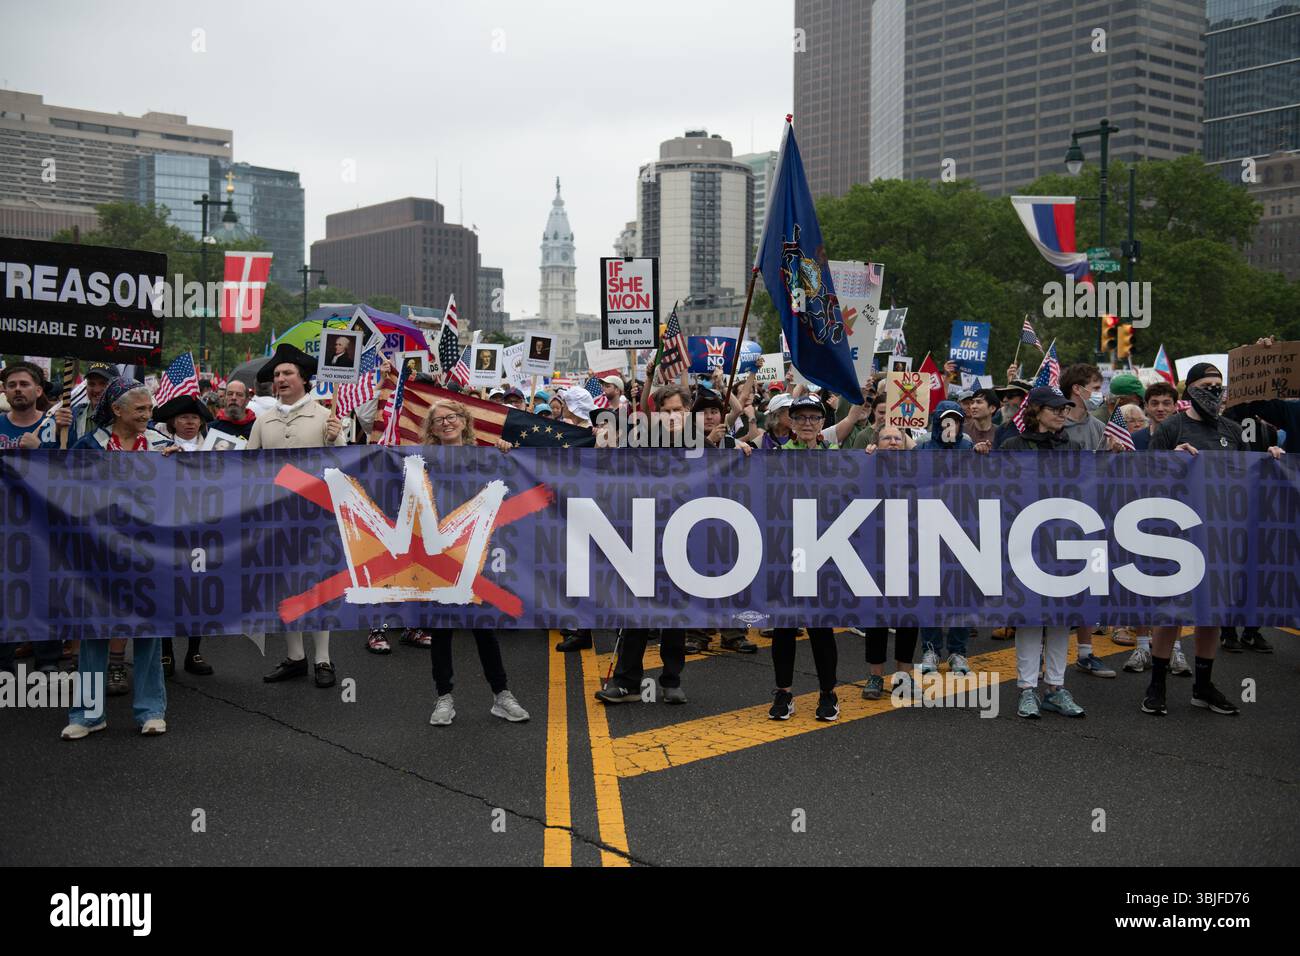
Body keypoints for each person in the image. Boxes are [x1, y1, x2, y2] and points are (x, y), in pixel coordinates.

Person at [1142, 361, 1285, 716]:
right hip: (1177, 534)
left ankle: (1203, 687)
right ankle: (1156, 684)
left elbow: (1245, 478)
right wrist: (1169, 461)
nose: (1214, 392)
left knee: (1212, 613)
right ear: (1190, 389)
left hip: (1220, 533)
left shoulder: (1231, 430)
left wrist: (1271, 460)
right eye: (1207, 385)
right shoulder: (1171, 428)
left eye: (1219, 386)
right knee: (1171, 612)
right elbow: (1144, 479)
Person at [63, 377, 179, 740]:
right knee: (94, 628)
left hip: (149, 552)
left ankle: (151, 710)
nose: (148, 414)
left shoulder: (162, 446)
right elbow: (67, 490)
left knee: (148, 630)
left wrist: (181, 466)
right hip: (100, 551)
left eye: (149, 408)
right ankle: (88, 713)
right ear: (116, 410)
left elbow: (184, 495)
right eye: (140, 409)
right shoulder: (88, 446)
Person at [417, 398, 530, 726]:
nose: (446, 423)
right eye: (438, 421)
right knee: (442, 628)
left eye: (451, 417)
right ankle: (444, 698)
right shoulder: (422, 460)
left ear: (464, 421)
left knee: (483, 627)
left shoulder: (485, 455)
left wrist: (505, 452)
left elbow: (507, 485)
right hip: (438, 553)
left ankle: (501, 695)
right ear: (432, 430)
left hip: (474, 551)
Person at [248, 344, 345, 688]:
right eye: (276, 375)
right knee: (285, 587)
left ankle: (323, 658)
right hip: (276, 519)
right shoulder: (262, 421)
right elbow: (247, 468)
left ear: (304, 379)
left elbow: (345, 470)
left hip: (316, 518)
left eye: (287, 373)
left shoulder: (326, 418)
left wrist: (338, 439)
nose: (280, 379)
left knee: (317, 587)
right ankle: (295, 657)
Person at [998, 386, 1086, 718]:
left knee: (1061, 618)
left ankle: (1056, 687)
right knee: (1030, 617)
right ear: (1035, 411)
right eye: (1055, 409)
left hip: (1064, 539)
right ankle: (1027, 689)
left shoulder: (1074, 447)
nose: (1062, 413)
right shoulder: (1013, 446)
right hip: (1024, 541)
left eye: (1064, 408)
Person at [769, 396, 841, 721]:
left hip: (823, 553)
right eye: (801, 417)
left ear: (822, 423)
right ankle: (783, 693)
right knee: (784, 626)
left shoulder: (836, 458)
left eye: (814, 417)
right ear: (791, 422)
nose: (808, 423)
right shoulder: (777, 456)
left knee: (820, 628)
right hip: (787, 551)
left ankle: (828, 693)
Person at [860, 424, 919, 699]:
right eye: (887, 438)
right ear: (876, 443)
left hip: (911, 549)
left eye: (898, 438)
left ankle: (904, 675)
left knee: (908, 613)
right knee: (877, 615)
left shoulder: (918, 467)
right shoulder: (868, 465)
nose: (893, 442)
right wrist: (866, 461)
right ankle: (875, 676)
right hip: (876, 550)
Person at [0, 363, 60, 450]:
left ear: (38, 391)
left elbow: (64, 461)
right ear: (5, 392)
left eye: (24, 384)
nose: (17, 389)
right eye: (12, 385)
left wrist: (39, 448)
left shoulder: (55, 425)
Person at [68, 362, 117, 446]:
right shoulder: (72, 415)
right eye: (91, 384)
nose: (97, 390)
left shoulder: (128, 417)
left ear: (116, 386)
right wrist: (58, 431)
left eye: (103, 384)